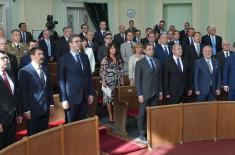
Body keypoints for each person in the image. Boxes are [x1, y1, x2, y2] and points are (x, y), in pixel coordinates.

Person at [58, 34, 94, 123]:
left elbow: (89, 76)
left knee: (81, 123)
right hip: (71, 97)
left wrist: (90, 93)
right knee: (71, 124)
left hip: (84, 95)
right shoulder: (64, 59)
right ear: (70, 44)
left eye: (80, 41)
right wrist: (64, 99)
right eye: (76, 41)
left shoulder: (84, 57)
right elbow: (61, 80)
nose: (79, 43)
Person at [18, 47, 54, 136]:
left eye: (43, 54)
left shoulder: (45, 68)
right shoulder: (24, 71)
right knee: (33, 136)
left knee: (43, 134)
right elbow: (23, 92)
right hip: (32, 110)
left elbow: (49, 87)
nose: (42, 56)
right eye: (39, 54)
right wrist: (26, 110)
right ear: (32, 56)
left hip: (45, 108)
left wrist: (51, 103)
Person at [135, 43, 163, 141]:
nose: (151, 51)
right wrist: (139, 94)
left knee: (153, 113)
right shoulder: (140, 63)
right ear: (145, 51)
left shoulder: (157, 61)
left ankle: (152, 131)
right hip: (145, 93)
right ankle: (141, 132)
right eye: (149, 49)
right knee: (142, 114)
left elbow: (159, 78)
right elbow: (137, 80)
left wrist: (160, 91)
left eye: (152, 49)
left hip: (155, 92)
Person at [0, 50, 22, 149]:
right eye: (2, 58)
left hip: (12, 117)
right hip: (1, 120)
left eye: (6, 58)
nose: (6, 60)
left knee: (11, 146)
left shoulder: (10, 73)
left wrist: (18, 113)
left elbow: (16, 95)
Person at [100, 43, 123, 122]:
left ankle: (115, 114)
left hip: (117, 81)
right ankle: (110, 115)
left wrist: (121, 79)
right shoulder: (105, 59)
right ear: (109, 49)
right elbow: (102, 71)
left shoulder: (118, 58)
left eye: (114, 48)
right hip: (107, 82)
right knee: (108, 99)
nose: (113, 49)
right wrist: (103, 81)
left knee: (116, 99)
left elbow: (120, 70)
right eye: (112, 48)